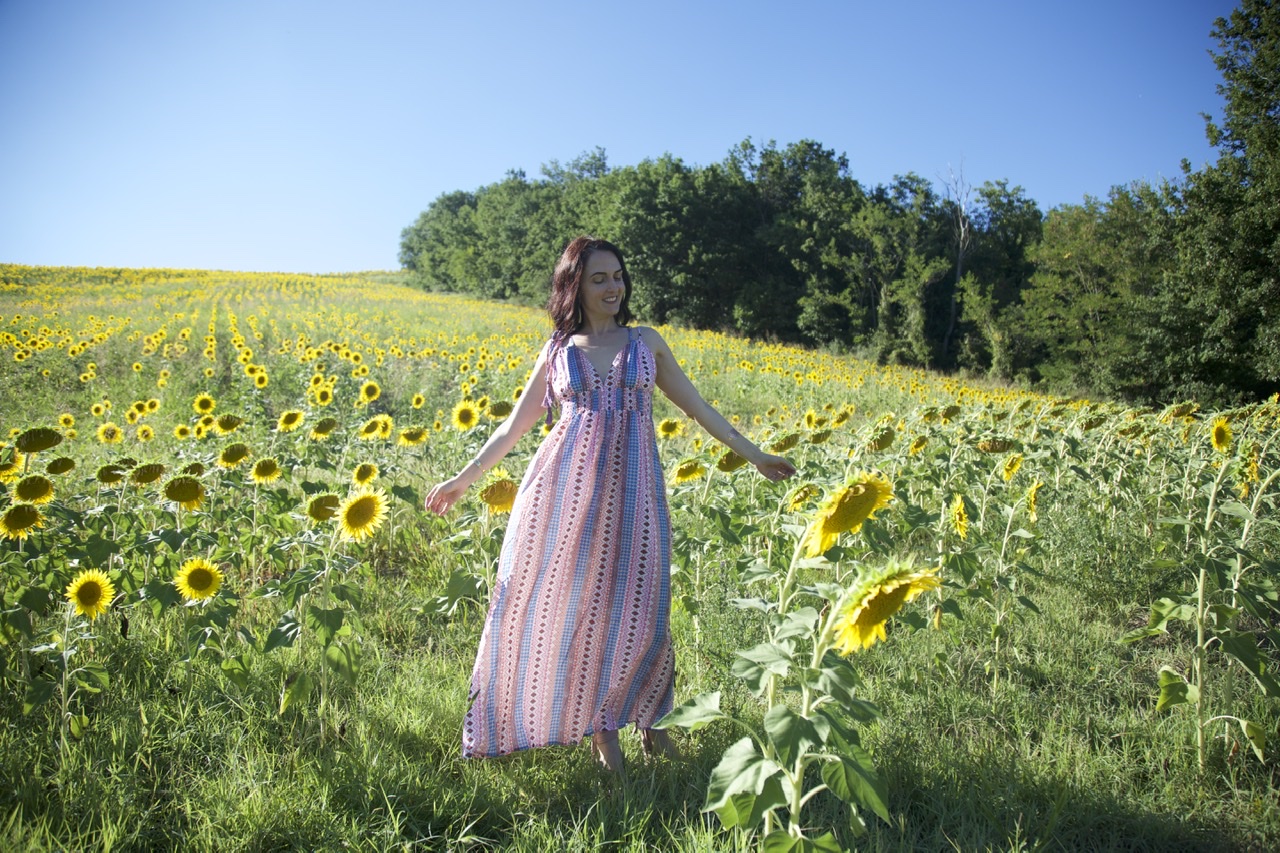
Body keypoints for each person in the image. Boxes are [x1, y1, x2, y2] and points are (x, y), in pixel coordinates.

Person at [424, 237, 796, 773]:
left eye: (618, 276)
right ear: (574, 286)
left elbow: (698, 409)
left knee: (645, 609)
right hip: (563, 497)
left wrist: (755, 454)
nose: (613, 287)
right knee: (578, 610)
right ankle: (603, 735)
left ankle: (652, 720)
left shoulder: (646, 343)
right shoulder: (557, 350)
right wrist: (463, 479)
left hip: (635, 494)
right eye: (599, 278)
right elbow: (515, 425)